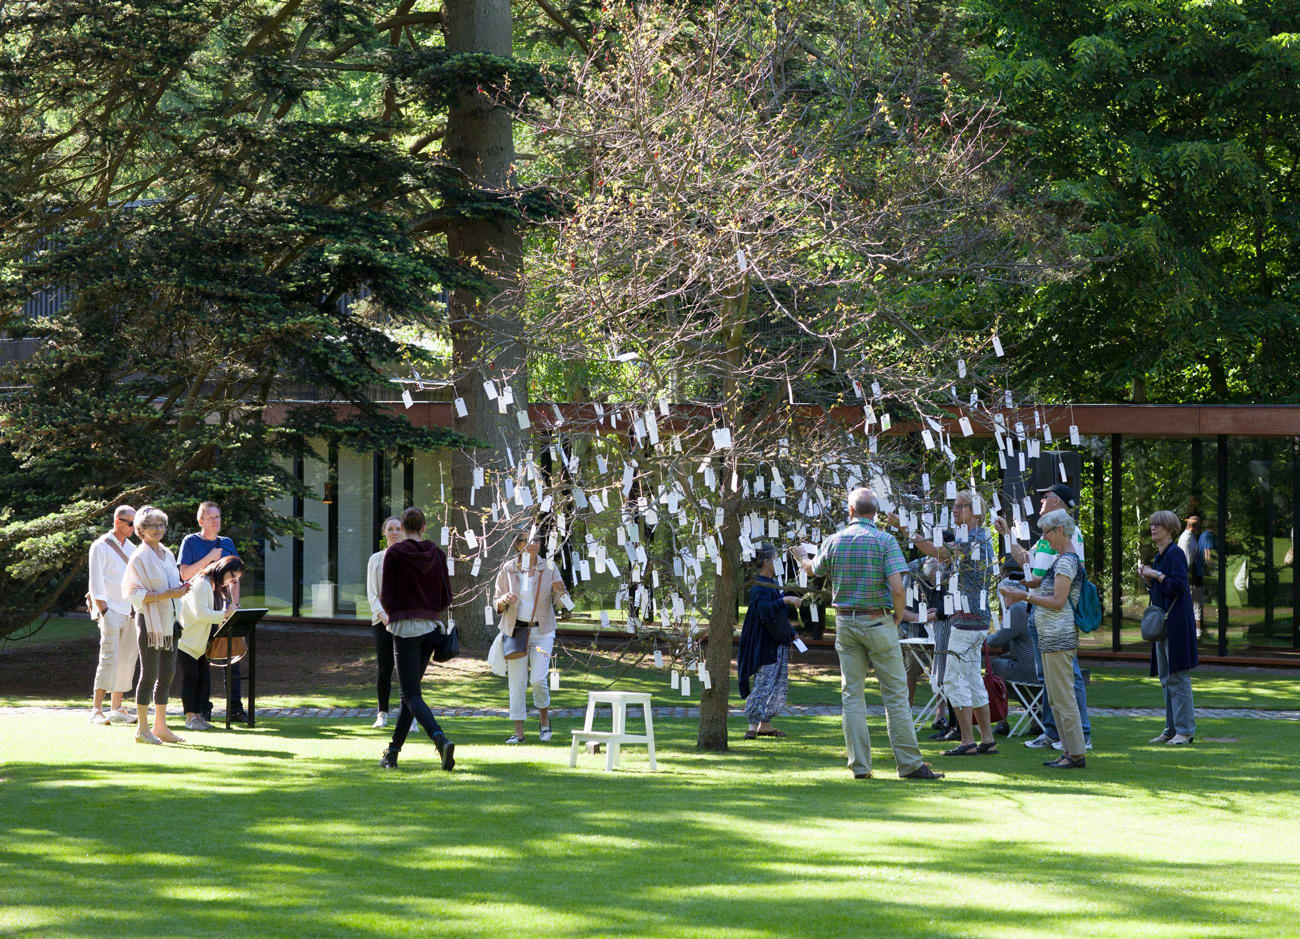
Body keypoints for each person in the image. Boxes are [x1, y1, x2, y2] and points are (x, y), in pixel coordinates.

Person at [800, 487, 943, 781]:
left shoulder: (834, 540)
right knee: (896, 695)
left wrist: (801, 554)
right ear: (875, 513)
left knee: (852, 695)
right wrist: (899, 616)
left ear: (850, 511)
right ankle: (909, 764)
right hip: (878, 621)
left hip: (845, 622)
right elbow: (898, 587)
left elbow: (812, 569)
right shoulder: (884, 540)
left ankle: (860, 766)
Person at [995, 482, 1093, 752]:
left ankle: (1080, 736)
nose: (1040, 501)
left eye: (1045, 497)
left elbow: (1055, 580)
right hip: (1043, 617)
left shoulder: (1069, 545)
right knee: (1049, 682)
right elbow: (1028, 561)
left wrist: (1022, 593)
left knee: (1066, 681)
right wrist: (1008, 537)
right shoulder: (1049, 541)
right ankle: (1054, 733)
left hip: (1058, 622)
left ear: (1059, 503)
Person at [913, 491, 998, 757]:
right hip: (974, 619)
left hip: (967, 620)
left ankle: (967, 741)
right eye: (954, 506)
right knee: (973, 679)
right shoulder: (978, 537)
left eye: (961, 507)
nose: (955, 511)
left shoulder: (974, 538)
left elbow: (940, 552)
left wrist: (909, 532)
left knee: (951, 678)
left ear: (975, 512)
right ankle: (987, 740)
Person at [377, 506, 455, 771]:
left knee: (410, 693)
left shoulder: (395, 553)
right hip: (431, 627)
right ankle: (393, 752)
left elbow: (386, 594)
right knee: (410, 695)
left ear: (405, 528)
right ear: (423, 527)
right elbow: (447, 596)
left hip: (406, 628)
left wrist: (396, 613)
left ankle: (440, 738)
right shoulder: (437, 553)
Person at [493, 528, 569, 744]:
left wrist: (561, 591)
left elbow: (563, 603)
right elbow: (496, 602)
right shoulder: (509, 568)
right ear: (518, 545)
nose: (533, 543)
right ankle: (519, 734)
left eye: (536, 539)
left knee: (538, 679)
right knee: (516, 682)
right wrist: (504, 600)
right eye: (527, 540)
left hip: (542, 632)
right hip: (516, 631)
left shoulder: (549, 567)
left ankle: (544, 721)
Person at [122, 506, 191, 745]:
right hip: (150, 623)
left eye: (161, 524)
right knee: (149, 673)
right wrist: (167, 594)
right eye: (152, 525)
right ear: (141, 530)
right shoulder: (139, 557)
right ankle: (142, 729)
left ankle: (160, 726)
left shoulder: (167, 553)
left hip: (170, 620)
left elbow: (172, 586)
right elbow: (134, 594)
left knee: (167, 674)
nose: (158, 529)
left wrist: (181, 590)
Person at [178, 502, 244, 723]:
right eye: (211, 517)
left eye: (218, 517)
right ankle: (199, 711)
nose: (216, 521)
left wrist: (232, 607)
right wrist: (210, 557)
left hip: (222, 610)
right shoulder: (191, 542)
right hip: (199, 617)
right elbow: (185, 575)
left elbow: (233, 576)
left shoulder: (227, 543)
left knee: (231, 659)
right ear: (201, 521)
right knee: (197, 669)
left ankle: (235, 708)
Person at [1140, 511, 1198, 745]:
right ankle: (1171, 728)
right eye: (1152, 524)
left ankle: (1185, 730)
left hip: (1176, 623)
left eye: (1158, 525)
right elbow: (1159, 591)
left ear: (1169, 528)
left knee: (1177, 676)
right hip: (1163, 624)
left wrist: (1156, 574)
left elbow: (1179, 587)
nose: (1153, 528)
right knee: (1166, 678)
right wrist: (1148, 578)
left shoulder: (1175, 554)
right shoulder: (1159, 556)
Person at [737, 543, 803, 739]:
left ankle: (764, 724)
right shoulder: (760, 586)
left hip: (777, 643)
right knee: (764, 684)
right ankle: (752, 725)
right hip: (765, 645)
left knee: (776, 684)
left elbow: (777, 616)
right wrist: (785, 600)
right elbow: (764, 611)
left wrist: (791, 632)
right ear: (766, 561)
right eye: (776, 558)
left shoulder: (770, 585)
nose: (779, 562)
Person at [88, 505, 138, 725]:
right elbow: (96, 581)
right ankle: (96, 710)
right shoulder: (100, 546)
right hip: (111, 611)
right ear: (117, 521)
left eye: (135, 524)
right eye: (130, 524)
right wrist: (104, 610)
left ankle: (116, 708)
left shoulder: (133, 548)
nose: (133, 528)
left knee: (127, 659)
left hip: (130, 611)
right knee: (108, 657)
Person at [366, 516, 404, 729]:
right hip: (382, 621)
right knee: (385, 667)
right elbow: (371, 593)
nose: (395, 532)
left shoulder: (410, 558)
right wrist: (384, 616)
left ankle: (408, 715)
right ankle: (382, 713)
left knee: (406, 669)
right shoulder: (376, 559)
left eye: (398, 529)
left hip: (405, 621)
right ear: (384, 532)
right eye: (391, 529)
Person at [1178, 515, 1205, 637]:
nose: (1198, 528)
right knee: (1195, 604)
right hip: (1191, 577)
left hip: (1192, 576)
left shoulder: (1190, 537)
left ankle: (1195, 632)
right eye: (1197, 525)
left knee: (1196, 604)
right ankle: (1195, 633)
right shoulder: (1187, 539)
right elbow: (1187, 561)